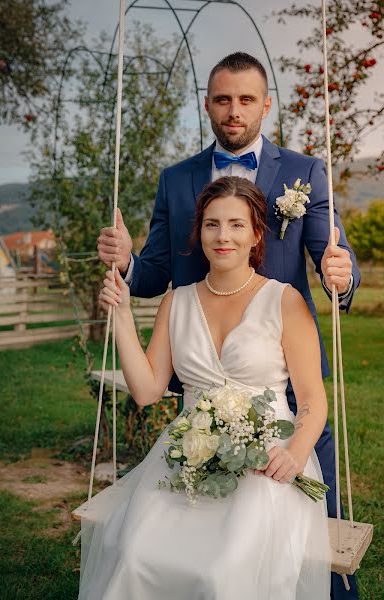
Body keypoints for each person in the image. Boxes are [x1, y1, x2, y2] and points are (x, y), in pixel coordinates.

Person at [97, 52, 360, 598]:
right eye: (223, 99)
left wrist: (343, 272)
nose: (234, 110)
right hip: (200, 372)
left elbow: (329, 252)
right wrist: (125, 263)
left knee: (311, 536)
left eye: (245, 99)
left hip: (282, 380)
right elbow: (154, 271)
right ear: (209, 105)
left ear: (265, 105)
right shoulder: (177, 179)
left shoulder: (304, 173)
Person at [79, 176, 331, 600]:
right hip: (185, 454)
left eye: (236, 224)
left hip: (264, 458)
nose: (223, 235)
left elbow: (311, 400)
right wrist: (121, 316)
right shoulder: (176, 302)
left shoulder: (284, 301)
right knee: (137, 555)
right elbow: (145, 391)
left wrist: (295, 453)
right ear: (199, 232)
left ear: (255, 234)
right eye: (212, 224)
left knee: (224, 572)